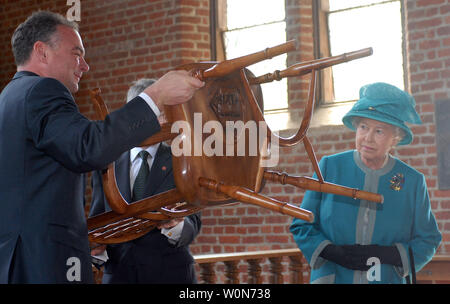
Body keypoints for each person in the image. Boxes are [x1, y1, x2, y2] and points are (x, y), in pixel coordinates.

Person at [0, 11, 204, 283]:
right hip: (44, 261)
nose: (85, 66)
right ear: (42, 52)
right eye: (76, 53)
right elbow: (89, 146)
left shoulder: (9, 96)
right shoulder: (43, 92)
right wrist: (155, 95)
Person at [290, 82, 442, 284]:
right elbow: (301, 224)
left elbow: (428, 239)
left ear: (395, 138)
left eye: (379, 131)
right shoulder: (329, 168)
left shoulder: (412, 182)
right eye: (363, 127)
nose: (368, 138)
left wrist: (391, 255)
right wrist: (331, 251)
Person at [89, 78, 202, 284]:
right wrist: (96, 249)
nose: (159, 120)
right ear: (132, 115)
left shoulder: (182, 159)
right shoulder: (106, 164)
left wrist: (176, 225)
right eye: (150, 114)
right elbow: (99, 221)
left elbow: (193, 223)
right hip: (119, 276)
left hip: (171, 275)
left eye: (162, 113)